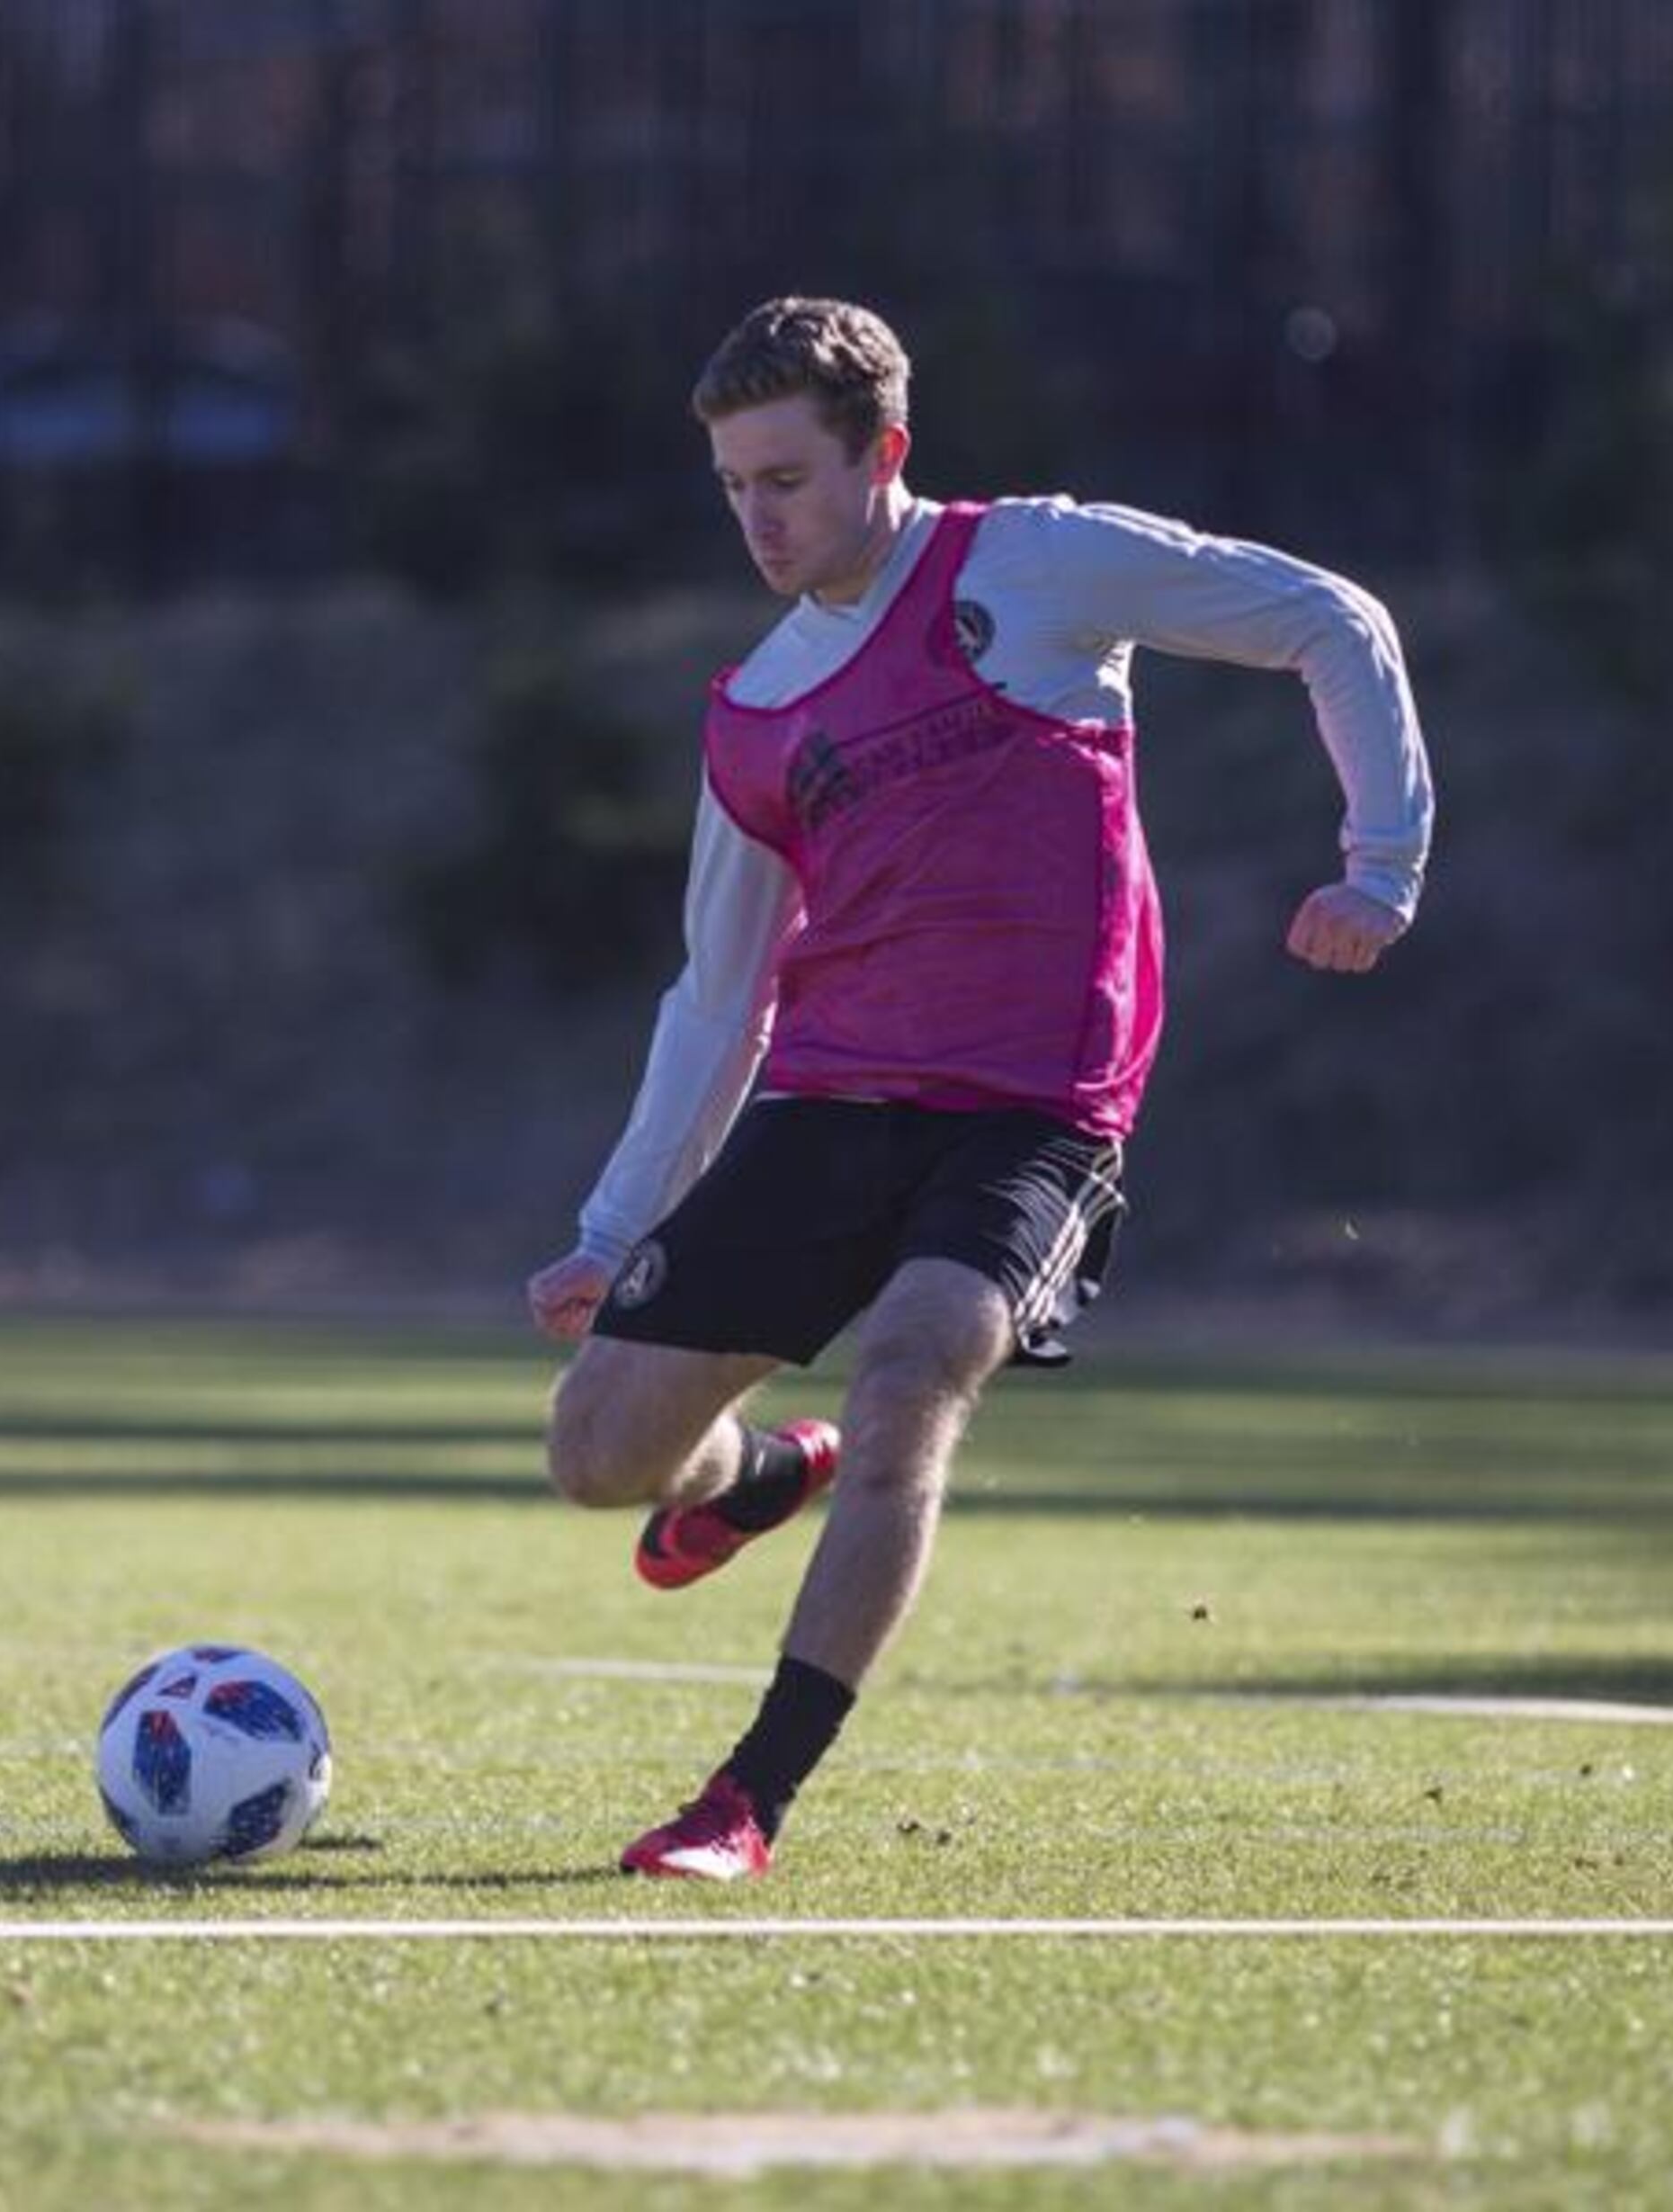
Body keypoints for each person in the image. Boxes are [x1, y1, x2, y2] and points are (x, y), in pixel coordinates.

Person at [525, 296, 1432, 1880]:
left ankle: (745, 1803)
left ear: (886, 453)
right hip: (832, 1097)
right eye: (734, 484)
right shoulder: (750, 715)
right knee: (598, 1454)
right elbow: (717, 996)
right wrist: (615, 1228)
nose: (757, 515)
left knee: (916, 1372)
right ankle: (761, 1473)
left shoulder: (1032, 565)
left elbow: (1329, 619)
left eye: (788, 478)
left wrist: (1381, 868)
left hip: (1037, 1103)